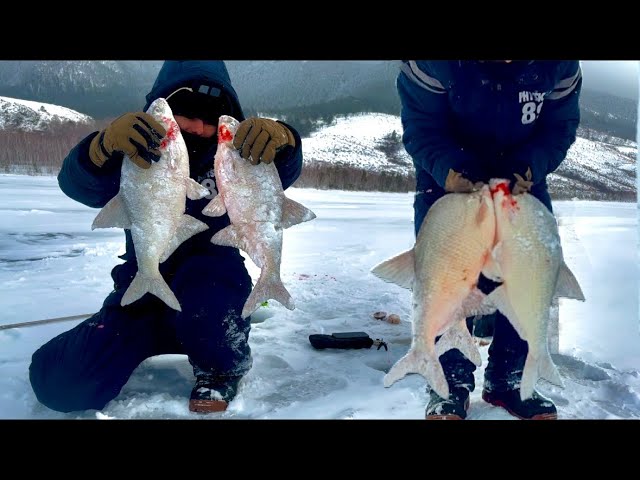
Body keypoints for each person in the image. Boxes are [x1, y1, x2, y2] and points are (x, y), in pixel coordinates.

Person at [29, 60, 303, 414]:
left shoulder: (235, 156)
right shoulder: (136, 151)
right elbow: (78, 186)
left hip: (214, 294)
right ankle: (135, 337)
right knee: (61, 383)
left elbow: (278, 176)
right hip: (143, 289)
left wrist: (286, 140)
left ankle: (221, 369)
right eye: (188, 115)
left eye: (211, 118)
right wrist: (101, 148)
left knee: (212, 303)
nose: (201, 128)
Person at [396, 60, 582, 420]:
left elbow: (560, 128)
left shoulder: (560, 64)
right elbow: (421, 128)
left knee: (529, 270)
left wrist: (531, 165)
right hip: (447, 177)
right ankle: (449, 381)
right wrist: (449, 168)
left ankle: (508, 379)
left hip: (521, 179)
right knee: (445, 275)